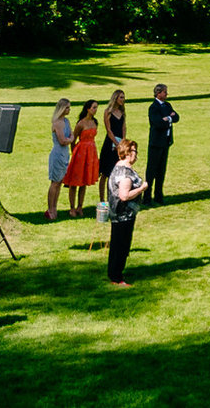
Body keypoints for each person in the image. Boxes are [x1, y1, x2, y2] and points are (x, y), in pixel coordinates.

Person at [106, 139, 146, 286]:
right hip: (124, 215)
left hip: (118, 214)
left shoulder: (118, 167)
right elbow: (124, 195)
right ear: (128, 153)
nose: (136, 155)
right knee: (121, 245)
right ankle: (117, 277)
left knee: (117, 244)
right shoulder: (125, 173)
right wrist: (141, 189)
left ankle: (114, 274)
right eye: (135, 152)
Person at [65, 101, 102, 217]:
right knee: (75, 181)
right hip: (81, 152)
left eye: (96, 108)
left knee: (84, 181)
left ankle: (80, 206)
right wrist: (74, 152)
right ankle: (72, 208)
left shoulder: (94, 122)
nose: (95, 110)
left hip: (91, 152)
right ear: (88, 109)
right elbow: (73, 138)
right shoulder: (81, 123)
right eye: (94, 107)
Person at [146, 83, 180, 203]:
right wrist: (167, 119)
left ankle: (159, 195)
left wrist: (168, 118)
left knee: (161, 170)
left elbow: (176, 117)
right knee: (151, 170)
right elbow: (157, 123)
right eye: (165, 92)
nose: (166, 94)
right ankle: (147, 196)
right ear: (158, 93)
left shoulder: (167, 105)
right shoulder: (153, 107)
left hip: (166, 142)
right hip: (156, 143)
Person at [45, 98, 74, 220]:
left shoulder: (66, 121)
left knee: (60, 182)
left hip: (65, 154)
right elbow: (62, 141)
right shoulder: (57, 123)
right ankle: (50, 208)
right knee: (55, 182)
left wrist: (70, 139)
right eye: (67, 107)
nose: (69, 109)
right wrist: (69, 140)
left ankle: (55, 207)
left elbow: (72, 135)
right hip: (57, 154)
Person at [99, 88, 128, 204]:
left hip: (120, 144)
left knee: (117, 173)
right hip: (110, 144)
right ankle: (102, 199)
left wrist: (123, 142)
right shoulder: (108, 112)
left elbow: (124, 127)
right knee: (106, 173)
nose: (123, 100)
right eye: (121, 97)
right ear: (115, 98)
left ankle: (113, 197)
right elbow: (108, 130)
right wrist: (116, 143)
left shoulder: (122, 112)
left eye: (123, 97)